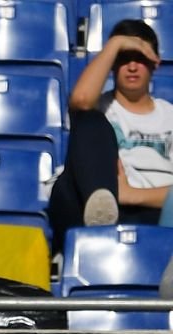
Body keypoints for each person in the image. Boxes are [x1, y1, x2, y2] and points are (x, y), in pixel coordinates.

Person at [47, 20, 172, 252]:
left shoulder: (170, 116)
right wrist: (116, 43)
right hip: (89, 208)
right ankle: (100, 211)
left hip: (155, 215)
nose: (132, 67)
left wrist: (130, 195)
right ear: (112, 64)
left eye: (140, 59)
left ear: (155, 64)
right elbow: (82, 100)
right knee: (88, 119)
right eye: (124, 58)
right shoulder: (97, 109)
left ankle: (107, 210)